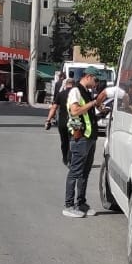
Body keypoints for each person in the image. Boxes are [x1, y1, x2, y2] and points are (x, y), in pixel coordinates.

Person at [63, 70, 101, 218]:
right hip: (80, 137)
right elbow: (74, 111)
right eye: (96, 80)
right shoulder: (75, 91)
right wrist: (93, 103)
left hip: (89, 137)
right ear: (88, 77)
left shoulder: (86, 91)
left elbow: (87, 113)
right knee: (75, 172)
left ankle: (81, 203)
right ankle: (69, 205)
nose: (96, 83)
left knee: (85, 172)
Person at [45, 77, 72, 165]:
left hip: (63, 122)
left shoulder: (60, 94)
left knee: (64, 141)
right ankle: (70, 158)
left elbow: (54, 108)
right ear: (74, 85)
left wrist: (48, 120)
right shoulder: (77, 95)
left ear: (65, 85)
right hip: (74, 122)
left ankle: (65, 158)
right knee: (73, 141)